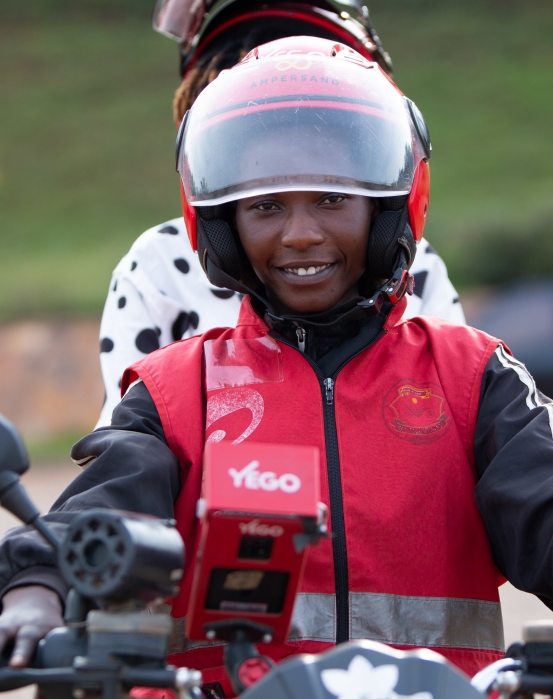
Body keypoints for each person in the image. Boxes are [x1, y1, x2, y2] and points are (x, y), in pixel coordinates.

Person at [0, 37, 553, 699]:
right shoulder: (176, 391)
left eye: (331, 199)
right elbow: (103, 511)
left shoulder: (473, 377)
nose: (300, 234)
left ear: (389, 210)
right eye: (265, 207)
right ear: (221, 226)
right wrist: (36, 595)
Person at [94, 0, 464, 428]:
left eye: (331, 197)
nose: (301, 234)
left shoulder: (419, 269)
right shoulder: (159, 267)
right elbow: (124, 433)